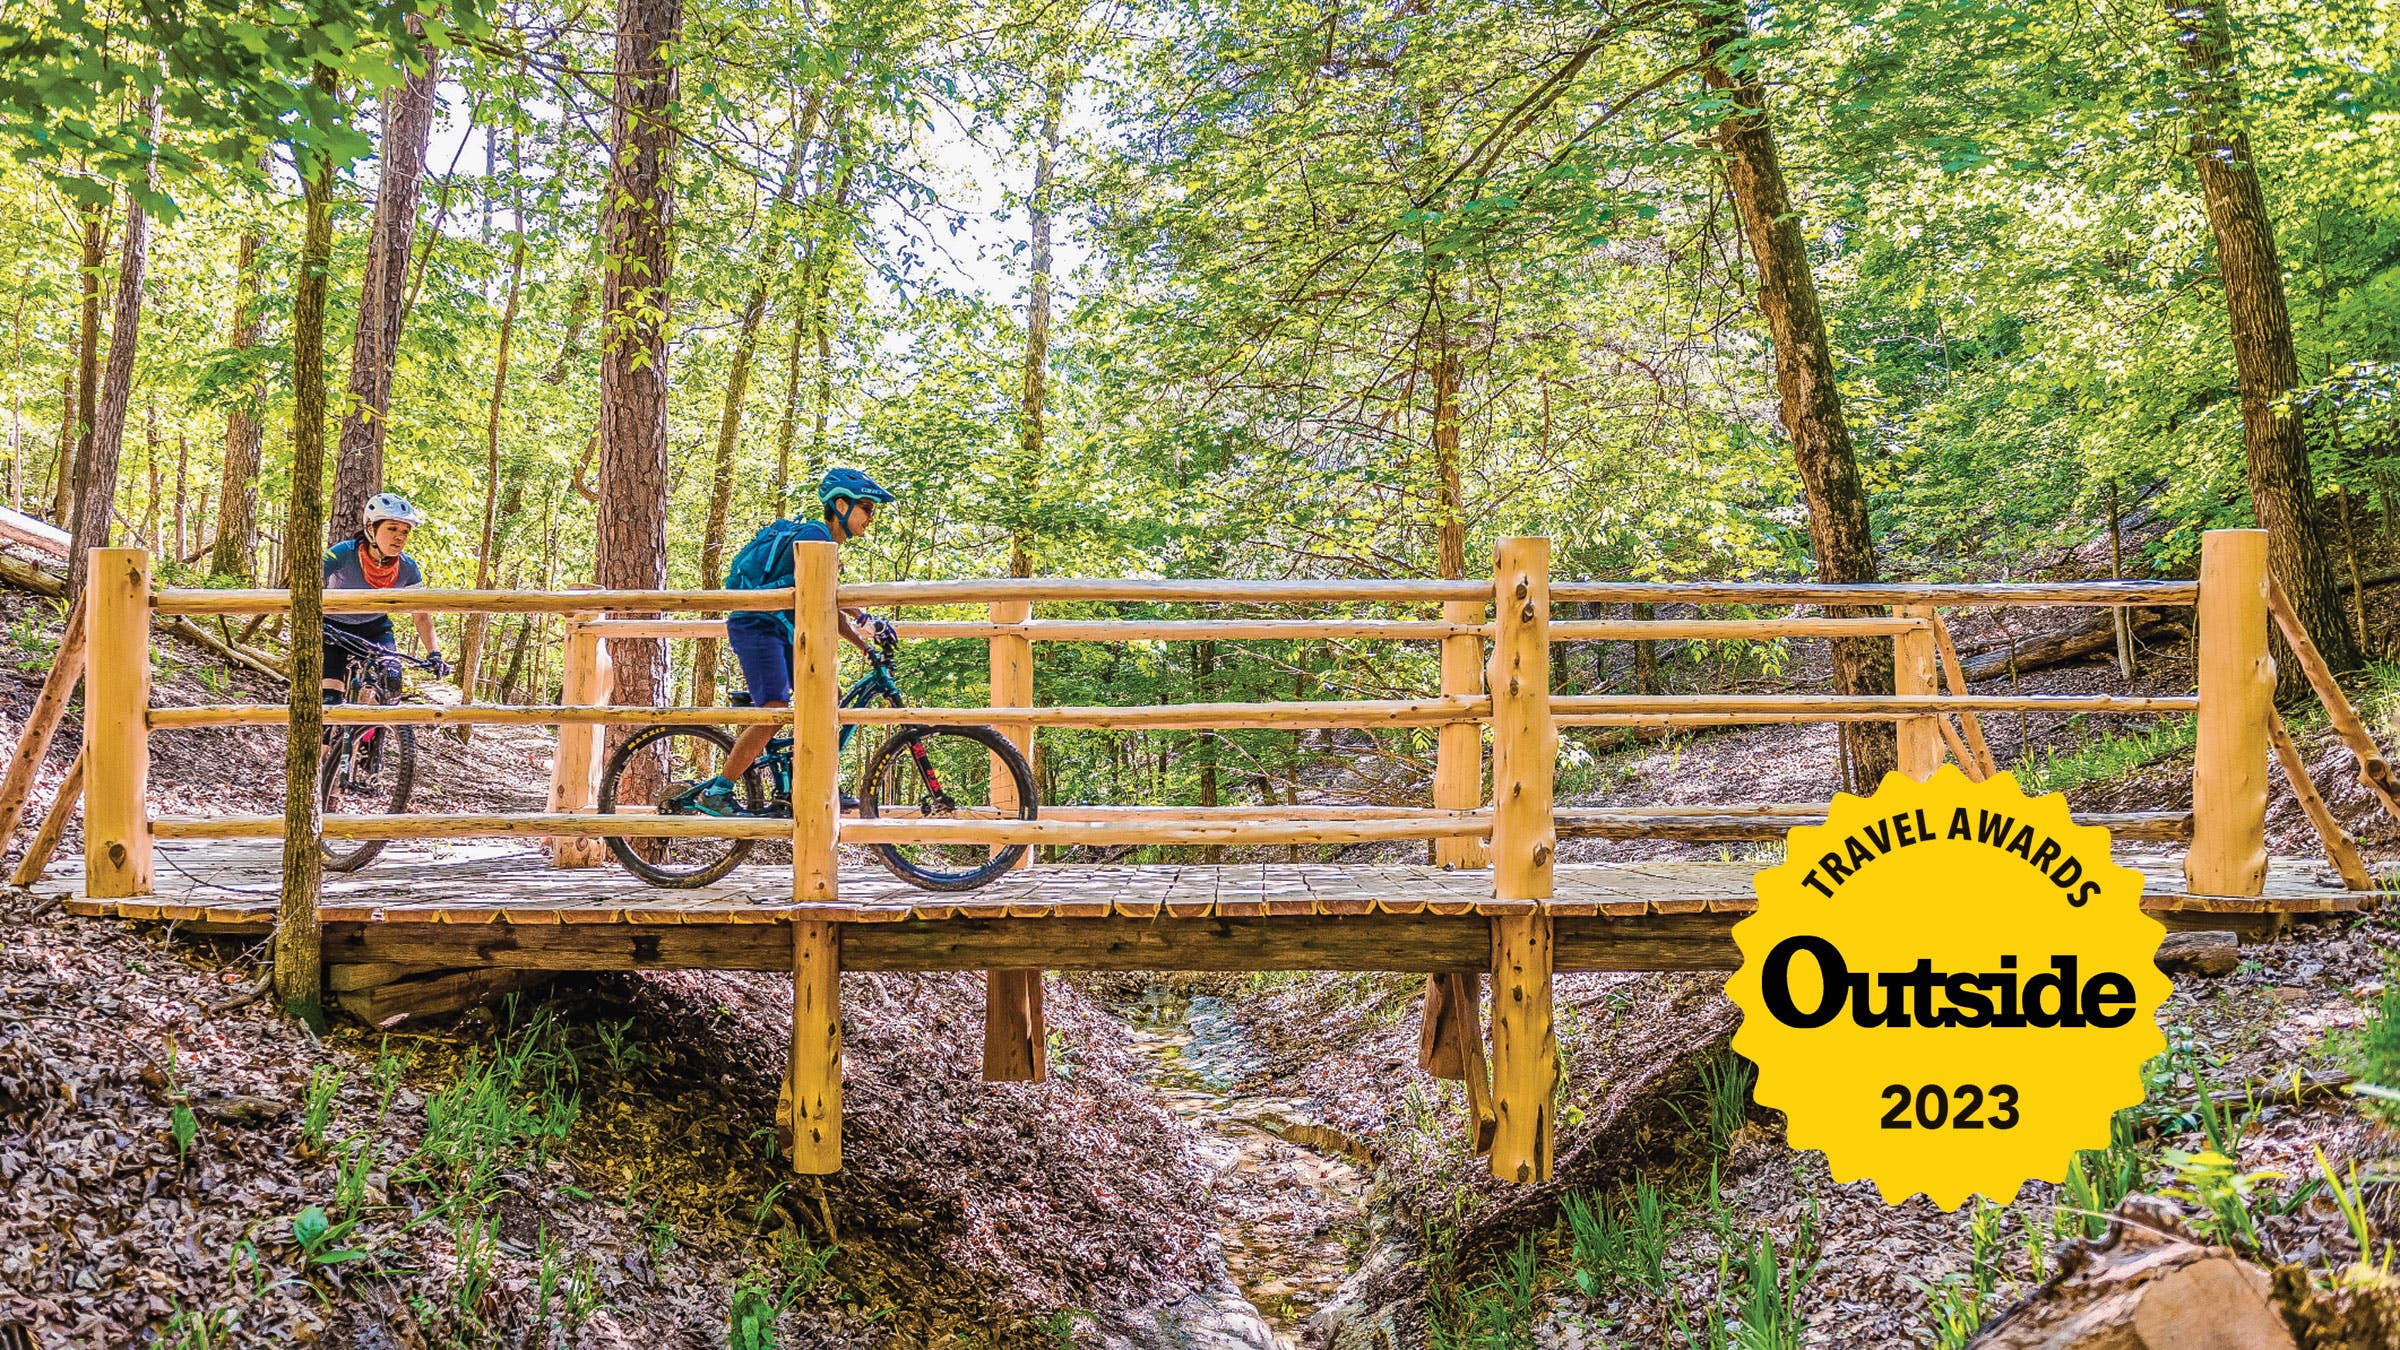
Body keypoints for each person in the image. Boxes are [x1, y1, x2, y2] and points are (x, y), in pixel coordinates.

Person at [694, 467, 895, 815]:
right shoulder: (817, 535)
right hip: (757, 625)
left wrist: (864, 645)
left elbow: (830, 608)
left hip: (779, 628)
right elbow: (838, 599)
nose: (871, 518)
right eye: (867, 508)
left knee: (829, 696)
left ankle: (807, 781)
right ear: (842, 505)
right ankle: (718, 791)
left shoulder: (828, 545)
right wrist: (868, 621)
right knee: (774, 710)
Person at [321, 492, 448, 702]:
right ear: (371, 527)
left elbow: (421, 616)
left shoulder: (408, 568)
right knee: (330, 698)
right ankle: (326, 734)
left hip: (375, 628)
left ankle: (369, 733)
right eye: (392, 528)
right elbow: (307, 582)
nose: (400, 536)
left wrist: (434, 653)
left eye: (405, 531)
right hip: (334, 628)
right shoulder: (343, 552)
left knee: (391, 681)